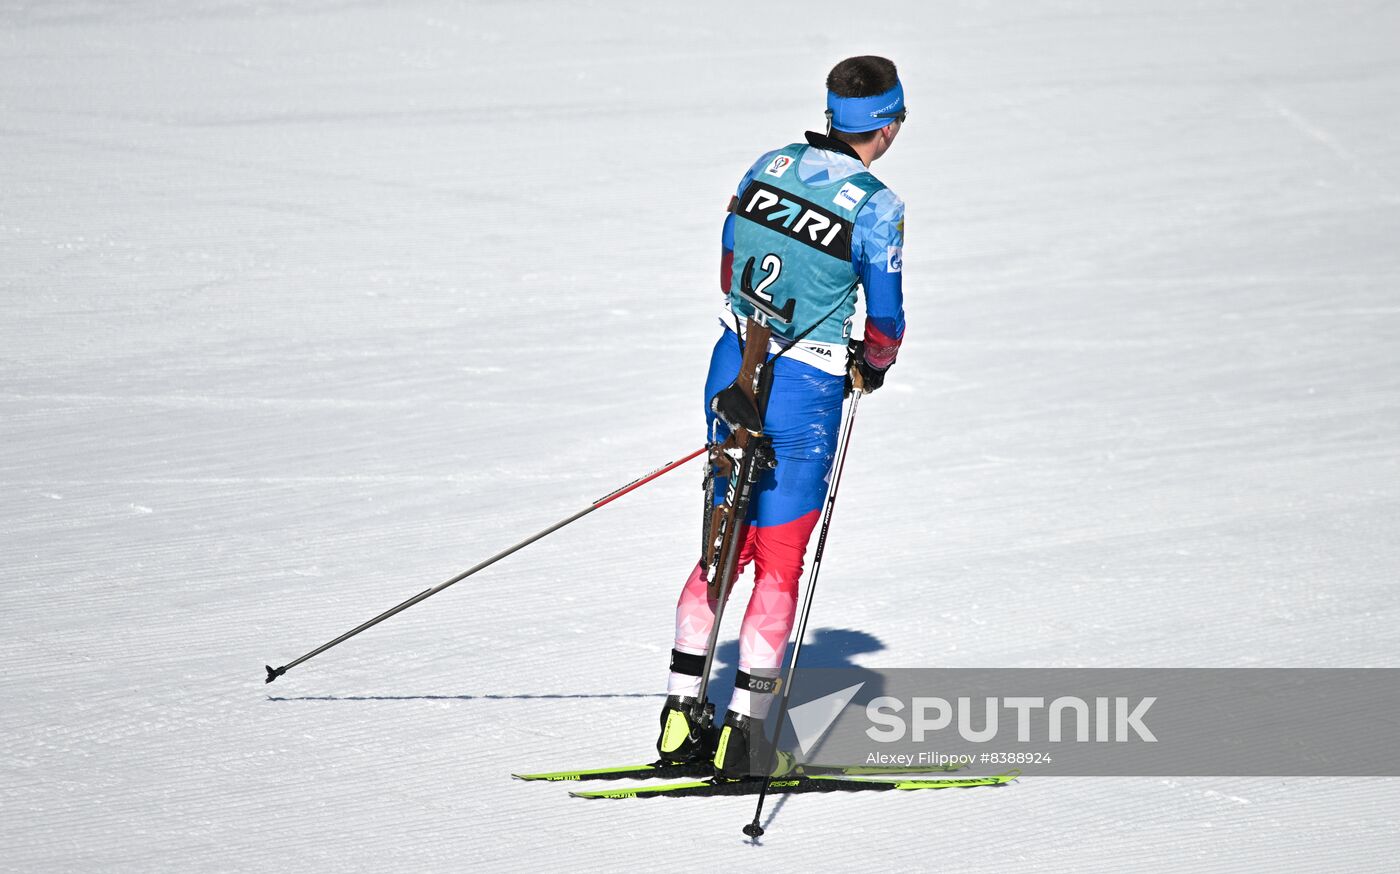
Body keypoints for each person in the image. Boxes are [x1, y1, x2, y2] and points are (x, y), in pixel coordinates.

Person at [656, 56, 908, 777]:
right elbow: (886, 322)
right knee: (778, 559)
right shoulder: (878, 207)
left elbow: (732, 257)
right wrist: (873, 364)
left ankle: (679, 722)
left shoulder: (769, 163)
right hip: (805, 389)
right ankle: (746, 736)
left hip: (732, 366)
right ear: (887, 126)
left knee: (720, 542)